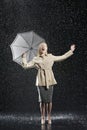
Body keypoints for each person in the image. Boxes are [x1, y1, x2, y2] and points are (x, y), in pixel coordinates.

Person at [21, 42, 75, 124]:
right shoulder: (36, 59)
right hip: (41, 80)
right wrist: (24, 58)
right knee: (42, 101)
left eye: (45, 46)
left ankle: (49, 116)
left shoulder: (50, 56)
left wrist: (70, 51)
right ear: (39, 49)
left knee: (49, 100)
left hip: (50, 80)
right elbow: (26, 66)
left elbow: (62, 57)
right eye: (41, 46)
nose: (43, 47)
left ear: (47, 48)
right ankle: (42, 117)